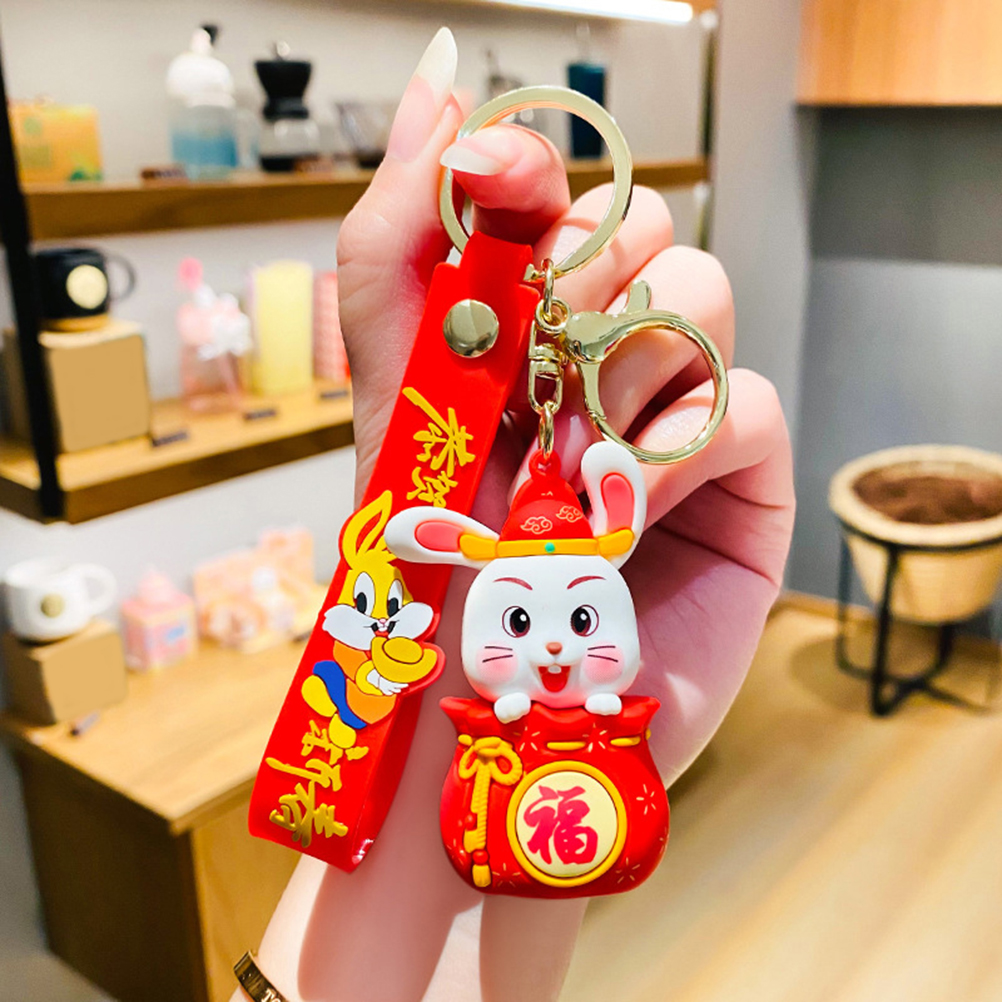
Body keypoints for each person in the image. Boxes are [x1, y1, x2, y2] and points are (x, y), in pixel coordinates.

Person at [232, 27, 794, 1002]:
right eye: (527, 620)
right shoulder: (479, 677)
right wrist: (415, 847)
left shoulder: (603, 669)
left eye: (574, 617)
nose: (555, 648)